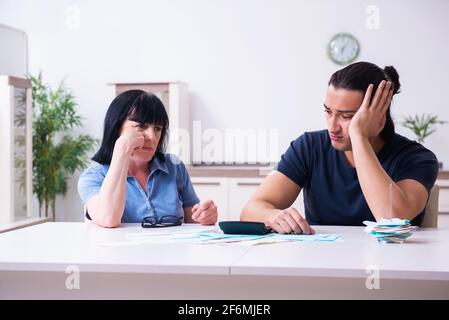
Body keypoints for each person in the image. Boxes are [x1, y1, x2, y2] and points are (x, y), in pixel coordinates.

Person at [241, 61, 439, 234]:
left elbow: (391, 219)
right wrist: (273, 215)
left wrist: (359, 136)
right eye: (328, 112)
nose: (332, 126)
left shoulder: (417, 158)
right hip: (324, 264)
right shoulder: (309, 147)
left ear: (379, 118)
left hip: (394, 267)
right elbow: (251, 209)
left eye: (347, 116)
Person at [78, 90, 217, 228]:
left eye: (157, 128)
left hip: (171, 249)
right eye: (141, 126)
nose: (152, 136)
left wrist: (205, 216)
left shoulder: (174, 166)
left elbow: (192, 222)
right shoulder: (93, 177)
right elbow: (108, 219)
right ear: (116, 127)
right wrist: (122, 149)